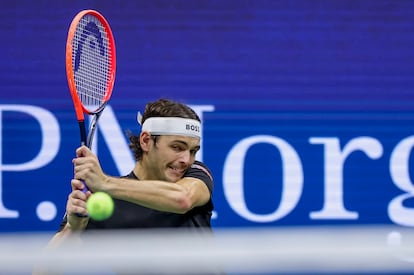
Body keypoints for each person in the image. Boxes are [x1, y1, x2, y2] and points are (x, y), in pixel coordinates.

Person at [33, 98, 215, 274]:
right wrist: (74, 228)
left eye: (193, 151)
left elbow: (182, 199)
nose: (186, 160)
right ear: (146, 141)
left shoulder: (195, 173)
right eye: (177, 147)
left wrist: (104, 183)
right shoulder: (100, 199)